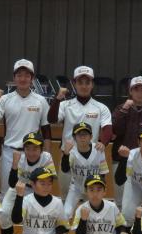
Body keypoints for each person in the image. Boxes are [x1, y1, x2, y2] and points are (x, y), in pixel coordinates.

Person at [48, 65, 113, 197]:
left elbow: (107, 128)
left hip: (92, 158)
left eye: (87, 83)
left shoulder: (101, 107)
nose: (84, 86)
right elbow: (52, 119)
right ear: (74, 84)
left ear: (92, 84)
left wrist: (103, 142)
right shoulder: (65, 105)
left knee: (92, 199)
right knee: (66, 198)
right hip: (68, 156)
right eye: (80, 82)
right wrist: (58, 99)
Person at [0, 59, 51, 194]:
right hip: (10, 153)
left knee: (34, 193)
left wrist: (46, 155)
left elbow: (46, 130)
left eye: (27, 75)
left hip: (33, 154)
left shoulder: (41, 101)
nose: (23, 79)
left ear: (32, 78)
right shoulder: (5, 99)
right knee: (7, 193)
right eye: (19, 75)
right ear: (14, 78)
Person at [7, 167, 71, 234]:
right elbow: (16, 220)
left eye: (49, 183)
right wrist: (19, 196)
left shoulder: (57, 202)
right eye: (42, 183)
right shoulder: (26, 200)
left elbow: (62, 224)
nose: (46, 187)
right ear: (32, 184)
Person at [0, 131, 56, 234]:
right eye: (28, 149)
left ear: (41, 149)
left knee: (34, 218)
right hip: (19, 187)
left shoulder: (46, 158)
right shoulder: (20, 157)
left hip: (38, 190)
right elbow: (12, 183)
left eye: (35, 149)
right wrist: (14, 164)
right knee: (3, 213)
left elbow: (49, 182)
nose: (31, 152)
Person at [111, 76, 142, 208]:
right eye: (136, 89)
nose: (139, 93)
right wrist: (124, 109)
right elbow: (115, 130)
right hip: (121, 158)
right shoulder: (121, 108)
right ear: (130, 91)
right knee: (120, 200)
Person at [60, 122, 109, 221]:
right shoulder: (71, 151)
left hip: (94, 188)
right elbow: (65, 170)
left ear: (91, 136)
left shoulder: (99, 149)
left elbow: (103, 173)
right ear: (74, 137)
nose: (82, 137)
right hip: (76, 187)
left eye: (85, 134)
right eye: (79, 134)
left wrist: (100, 190)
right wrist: (65, 154)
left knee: (94, 216)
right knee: (66, 214)